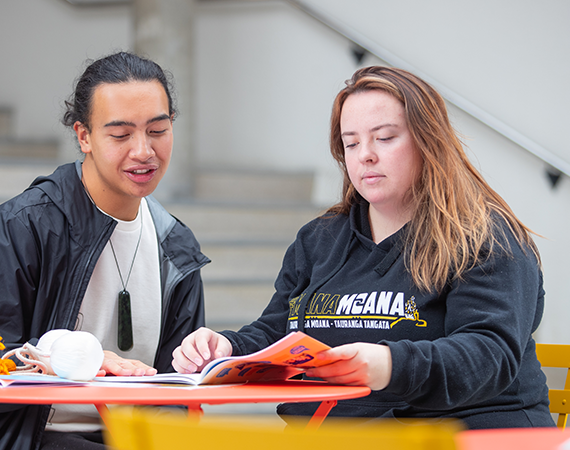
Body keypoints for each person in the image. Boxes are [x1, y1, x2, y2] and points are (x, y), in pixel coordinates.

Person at [172, 66, 555, 429]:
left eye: (384, 138)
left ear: (429, 141)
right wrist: (227, 348)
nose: (365, 155)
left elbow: (487, 354)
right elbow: (279, 332)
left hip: (460, 435)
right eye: (350, 143)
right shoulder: (320, 239)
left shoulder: (485, 236)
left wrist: (388, 364)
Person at [0, 51, 210, 450]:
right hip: (25, 438)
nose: (143, 151)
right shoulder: (22, 227)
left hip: (128, 438)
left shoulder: (174, 244)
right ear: (84, 136)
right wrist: (76, 361)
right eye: (121, 135)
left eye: (157, 131)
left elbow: (176, 387)